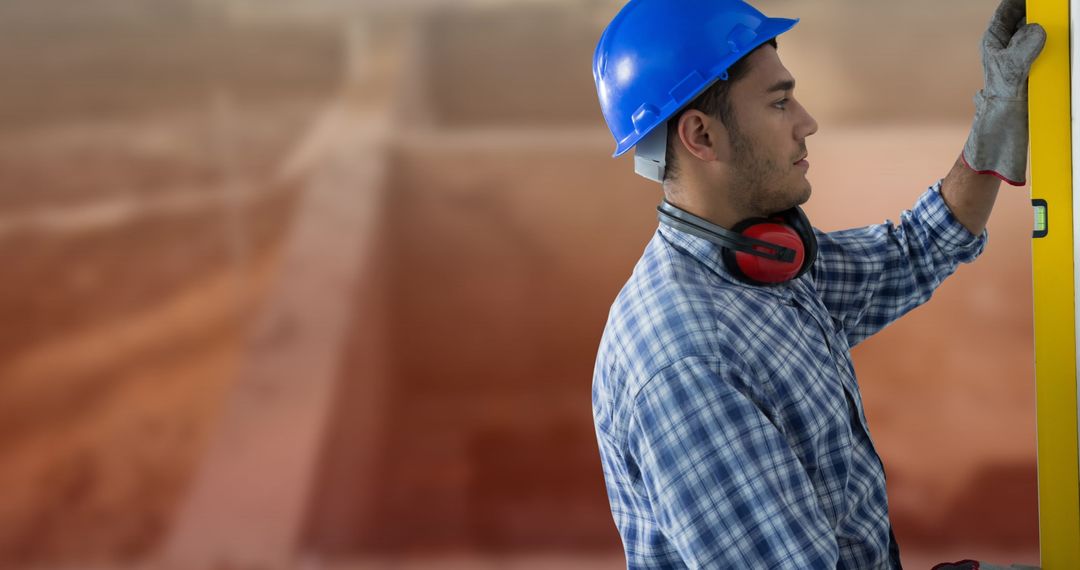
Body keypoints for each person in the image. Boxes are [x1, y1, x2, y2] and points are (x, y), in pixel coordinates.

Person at [589, 0, 1045, 568]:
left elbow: (914, 252)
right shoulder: (687, 362)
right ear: (701, 135)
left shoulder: (759, 265)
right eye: (780, 102)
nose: (807, 122)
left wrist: (994, 123)